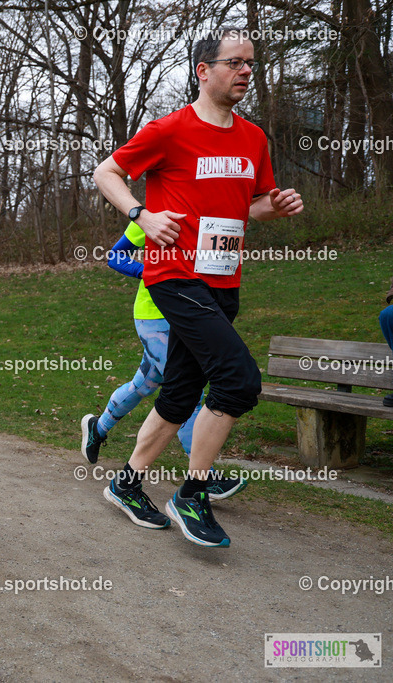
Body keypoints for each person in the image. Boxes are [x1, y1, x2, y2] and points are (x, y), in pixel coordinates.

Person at [91, 27, 303, 547]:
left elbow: (246, 207)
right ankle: (192, 493)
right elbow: (106, 172)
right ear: (203, 70)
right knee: (238, 381)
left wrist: (271, 208)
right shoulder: (168, 130)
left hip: (223, 279)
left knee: (182, 391)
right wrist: (142, 212)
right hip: (175, 277)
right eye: (234, 63)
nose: (245, 71)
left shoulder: (254, 139)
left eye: (250, 63)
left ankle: (126, 483)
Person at [81, 222, 246, 501]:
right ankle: (204, 477)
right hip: (154, 316)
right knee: (187, 389)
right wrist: (149, 272)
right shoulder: (152, 216)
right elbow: (115, 256)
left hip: (193, 314)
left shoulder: (208, 218)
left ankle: (97, 428)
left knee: (145, 383)